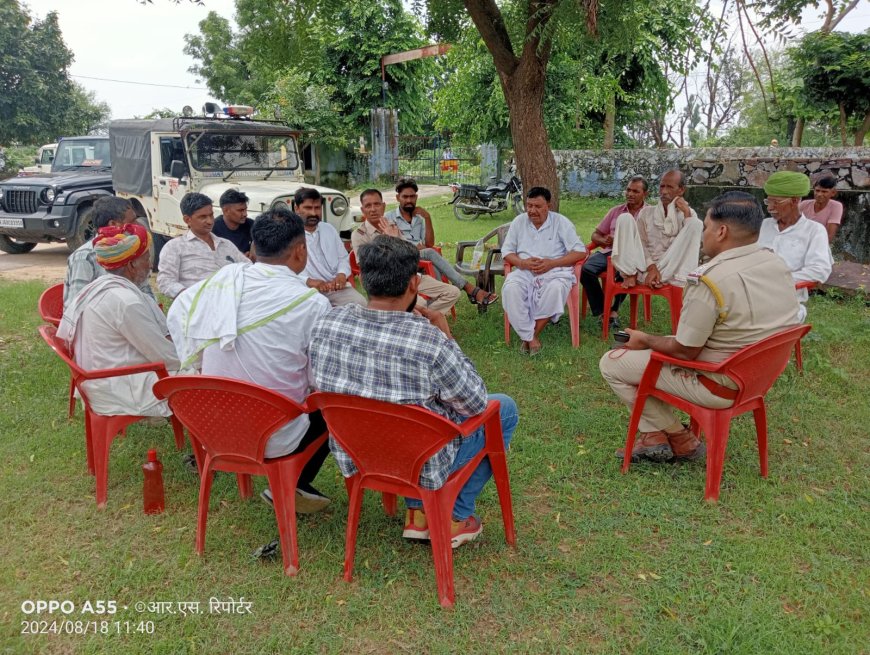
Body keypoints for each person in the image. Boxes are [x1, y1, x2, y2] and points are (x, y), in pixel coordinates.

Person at [309, 235, 519, 547]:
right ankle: (454, 516)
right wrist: (447, 337)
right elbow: (474, 404)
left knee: (405, 407)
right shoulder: (429, 341)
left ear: (363, 280)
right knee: (503, 408)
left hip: (359, 452)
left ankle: (418, 514)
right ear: (413, 285)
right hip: (418, 459)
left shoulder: (326, 324)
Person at [600, 191, 800, 463]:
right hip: (757, 378)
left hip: (717, 382)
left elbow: (685, 351)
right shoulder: (776, 263)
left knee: (612, 362)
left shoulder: (710, 280)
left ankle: (674, 436)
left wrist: (644, 338)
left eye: (705, 227)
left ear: (721, 231)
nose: (702, 234)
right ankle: (661, 436)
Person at [167, 208, 333, 513]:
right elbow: (317, 379)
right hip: (271, 434)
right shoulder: (312, 303)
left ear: (253, 249)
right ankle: (293, 481)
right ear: (301, 251)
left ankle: (291, 483)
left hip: (211, 426)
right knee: (331, 405)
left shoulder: (221, 282)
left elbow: (179, 313)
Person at [58, 224, 179, 417]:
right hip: (118, 388)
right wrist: (195, 360)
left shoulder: (99, 287)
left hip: (100, 382)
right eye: (147, 259)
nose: (150, 266)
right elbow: (164, 357)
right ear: (131, 265)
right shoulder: (126, 302)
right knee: (203, 376)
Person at [386, 177, 498, 307]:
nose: (409, 200)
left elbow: (428, 243)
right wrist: (414, 246)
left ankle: (436, 307)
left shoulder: (419, 218)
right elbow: (391, 245)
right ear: (397, 198)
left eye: (412, 197)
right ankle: (470, 289)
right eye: (405, 197)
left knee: (434, 265)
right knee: (430, 253)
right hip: (401, 260)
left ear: (416, 197)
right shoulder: (389, 218)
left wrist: (427, 217)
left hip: (420, 259)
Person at [501, 186, 586, 355]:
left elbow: (580, 252)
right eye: (529, 205)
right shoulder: (519, 222)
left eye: (537, 206)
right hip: (524, 271)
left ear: (548, 205)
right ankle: (531, 340)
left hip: (555, 271)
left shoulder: (561, 222)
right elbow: (507, 252)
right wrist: (522, 263)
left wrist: (552, 263)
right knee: (511, 289)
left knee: (556, 289)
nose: (532, 211)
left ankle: (528, 339)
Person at [351, 188, 460, 316]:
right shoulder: (359, 234)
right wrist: (390, 239)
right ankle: (422, 318)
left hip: (408, 277)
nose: (373, 209)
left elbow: (409, 256)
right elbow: (370, 268)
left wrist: (395, 238)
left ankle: (423, 319)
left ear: (384, 206)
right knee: (419, 304)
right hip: (386, 283)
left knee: (453, 292)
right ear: (363, 210)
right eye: (368, 206)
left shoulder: (392, 225)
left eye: (377, 204)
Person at [609, 170, 703, 306]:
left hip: (672, 270)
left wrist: (687, 212)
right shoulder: (646, 213)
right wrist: (651, 267)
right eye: (662, 186)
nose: (664, 191)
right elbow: (641, 244)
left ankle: (661, 278)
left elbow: (690, 246)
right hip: (644, 267)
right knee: (625, 218)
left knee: (695, 224)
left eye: (669, 187)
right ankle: (631, 274)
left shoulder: (688, 214)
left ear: (681, 190)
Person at [757, 171, 833, 323]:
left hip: (785, 302)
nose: (770, 208)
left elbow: (819, 270)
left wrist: (779, 282)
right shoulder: (765, 225)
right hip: (753, 294)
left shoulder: (814, 230)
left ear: (795, 200)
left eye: (776, 202)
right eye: (768, 202)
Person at [580, 176, 650, 330]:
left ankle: (614, 311)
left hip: (635, 255)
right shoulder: (616, 211)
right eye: (628, 190)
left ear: (645, 194)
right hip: (610, 251)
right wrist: (604, 241)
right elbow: (595, 235)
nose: (630, 194)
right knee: (586, 269)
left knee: (624, 270)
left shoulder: (650, 213)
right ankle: (602, 310)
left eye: (635, 191)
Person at [63, 196, 155, 307]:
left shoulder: (131, 250)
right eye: (132, 221)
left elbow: (144, 289)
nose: (138, 225)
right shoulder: (84, 257)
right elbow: (76, 304)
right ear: (113, 224)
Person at [157, 192, 250, 299]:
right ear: (187, 220)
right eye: (203, 217)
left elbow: (248, 268)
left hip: (232, 303)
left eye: (211, 215)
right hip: (196, 307)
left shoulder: (226, 245)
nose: (210, 221)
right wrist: (191, 296)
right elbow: (165, 281)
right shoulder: (175, 247)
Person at [295, 187, 365, 307]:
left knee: (361, 303)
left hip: (335, 289)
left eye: (317, 208)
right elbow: (282, 270)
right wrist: (308, 281)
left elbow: (343, 257)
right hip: (305, 290)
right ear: (297, 209)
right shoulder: (290, 234)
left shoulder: (328, 229)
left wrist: (342, 274)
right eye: (308, 208)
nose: (313, 213)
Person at [799, 174, 843, 243]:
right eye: (817, 190)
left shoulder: (836, 206)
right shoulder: (804, 204)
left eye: (824, 191)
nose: (819, 194)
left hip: (819, 245)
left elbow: (829, 236)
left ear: (833, 193)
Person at [212, 189, 254, 256]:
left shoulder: (252, 226)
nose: (245, 214)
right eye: (240, 210)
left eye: (245, 209)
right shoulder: (212, 230)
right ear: (225, 211)